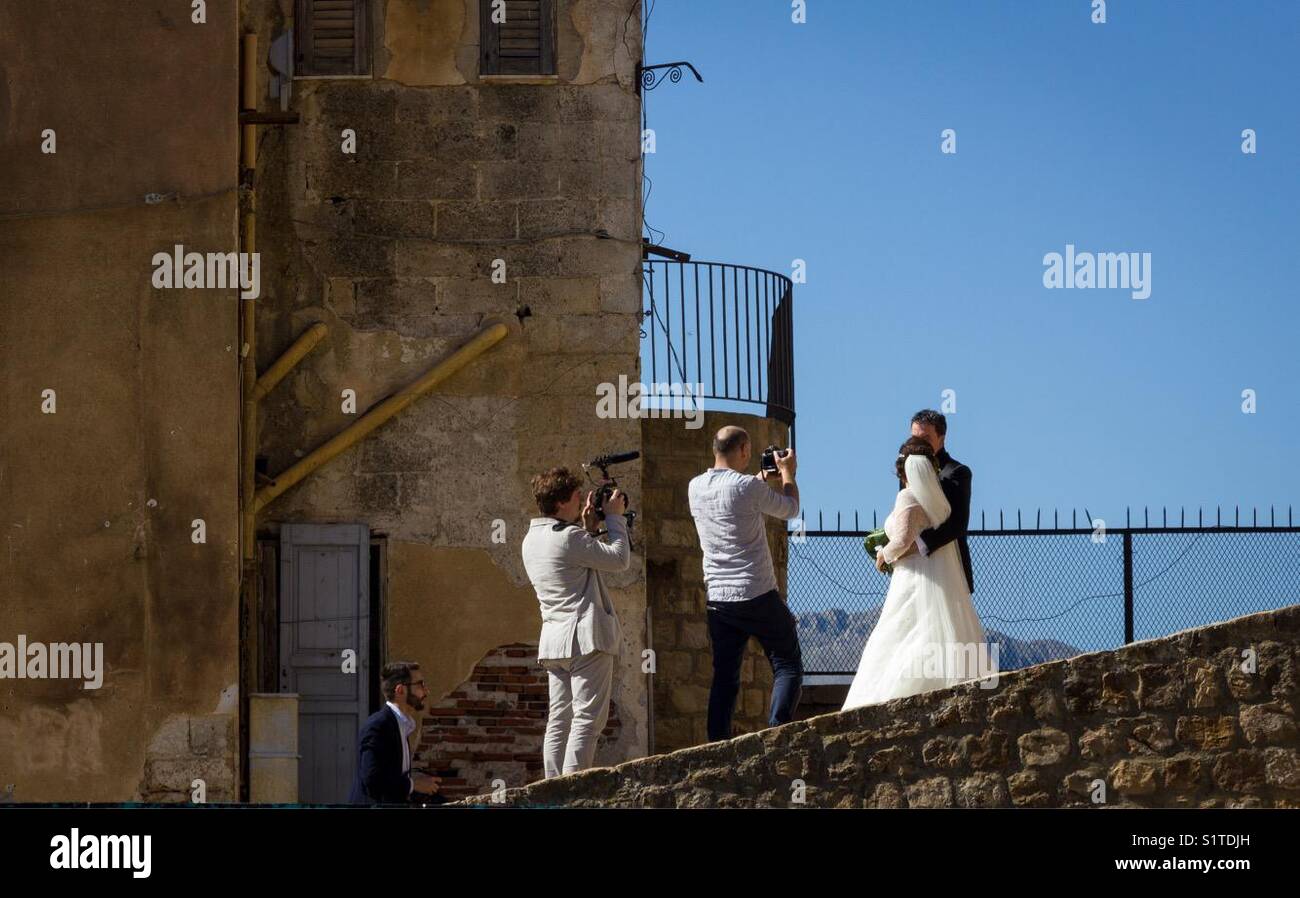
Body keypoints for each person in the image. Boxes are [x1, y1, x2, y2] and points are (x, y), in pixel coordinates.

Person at [843, 438, 987, 710]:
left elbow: (903, 540)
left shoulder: (908, 497)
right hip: (934, 576)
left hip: (911, 577)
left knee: (901, 631)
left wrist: (883, 553)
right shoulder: (940, 502)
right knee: (930, 629)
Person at [688, 425, 802, 742]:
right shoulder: (745, 488)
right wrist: (788, 474)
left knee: (725, 676)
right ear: (744, 450)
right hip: (756, 591)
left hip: (719, 598)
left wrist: (761, 480)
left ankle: (716, 744)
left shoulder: (694, 487)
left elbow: (733, 498)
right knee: (787, 662)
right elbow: (790, 509)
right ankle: (778, 731)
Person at [521, 467, 629, 778]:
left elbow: (575, 560)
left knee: (559, 719)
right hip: (586, 637)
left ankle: (552, 787)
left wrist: (589, 529)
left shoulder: (532, 539)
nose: (583, 499)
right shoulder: (570, 537)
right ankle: (572, 790)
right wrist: (615, 518)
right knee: (587, 720)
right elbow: (619, 559)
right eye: (577, 495)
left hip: (555, 641)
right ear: (563, 501)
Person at [348, 661, 445, 804]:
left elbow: (391, 775)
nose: (426, 691)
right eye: (420, 685)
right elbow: (372, 780)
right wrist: (414, 785)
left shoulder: (401, 724)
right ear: (400, 690)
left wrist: (415, 783)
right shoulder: (378, 726)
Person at [905, 409, 974, 594]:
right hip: (913, 571)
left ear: (941, 439)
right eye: (914, 438)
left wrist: (916, 545)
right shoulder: (907, 472)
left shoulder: (957, 473)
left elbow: (958, 524)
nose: (918, 445)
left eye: (926, 439)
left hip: (949, 574)